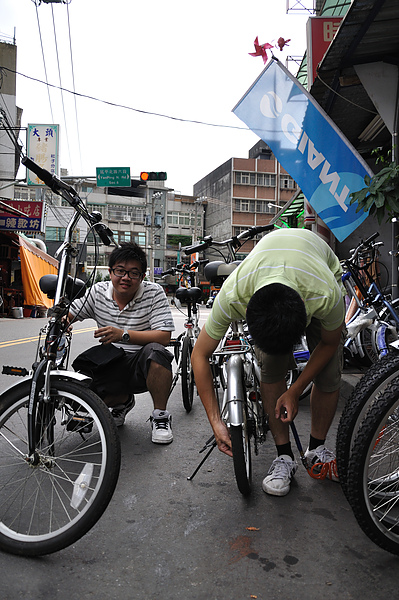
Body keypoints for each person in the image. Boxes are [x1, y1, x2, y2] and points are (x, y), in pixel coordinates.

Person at [191, 227, 345, 496]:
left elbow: (329, 343)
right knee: (271, 368)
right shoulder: (233, 294)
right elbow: (200, 355)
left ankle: (317, 449)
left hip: (316, 262)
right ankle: (283, 457)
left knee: (329, 372)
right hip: (267, 269)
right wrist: (216, 422)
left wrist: (295, 390)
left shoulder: (325, 292)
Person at [69, 242, 175, 443]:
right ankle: (122, 402)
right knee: (81, 389)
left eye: (134, 273)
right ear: (110, 272)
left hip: (140, 365)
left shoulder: (154, 293)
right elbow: (71, 313)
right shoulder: (97, 292)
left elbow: (164, 336)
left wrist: (124, 335)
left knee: (157, 351)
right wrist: (63, 321)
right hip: (110, 363)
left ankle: (160, 416)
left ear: (142, 277)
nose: (126, 277)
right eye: (120, 271)